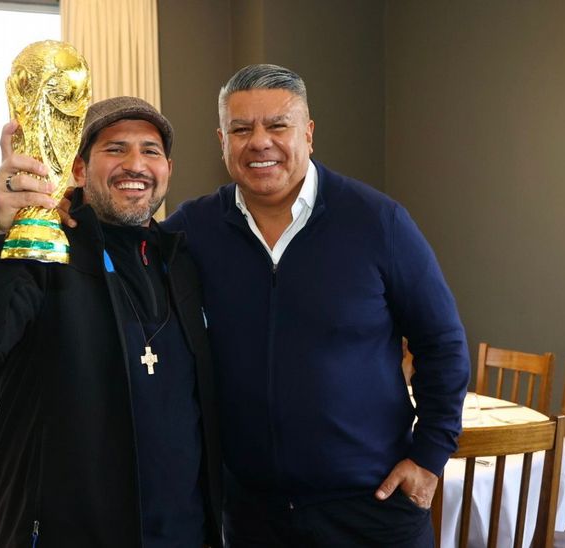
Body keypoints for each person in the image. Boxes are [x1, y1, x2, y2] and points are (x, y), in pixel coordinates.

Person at [160, 64, 471, 547]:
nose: (259, 141)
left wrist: (429, 456)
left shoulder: (377, 222)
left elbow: (443, 343)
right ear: (222, 141)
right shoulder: (193, 229)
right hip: (251, 515)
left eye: (277, 125)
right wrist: (70, 213)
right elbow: (124, 267)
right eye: (241, 129)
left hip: (373, 507)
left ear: (308, 133)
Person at [0, 97, 222, 547]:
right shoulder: (41, 252)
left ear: (168, 169)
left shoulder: (182, 260)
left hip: (182, 531)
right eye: (115, 149)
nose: (135, 164)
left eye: (150, 151)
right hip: (67, 532)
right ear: (79, 171)